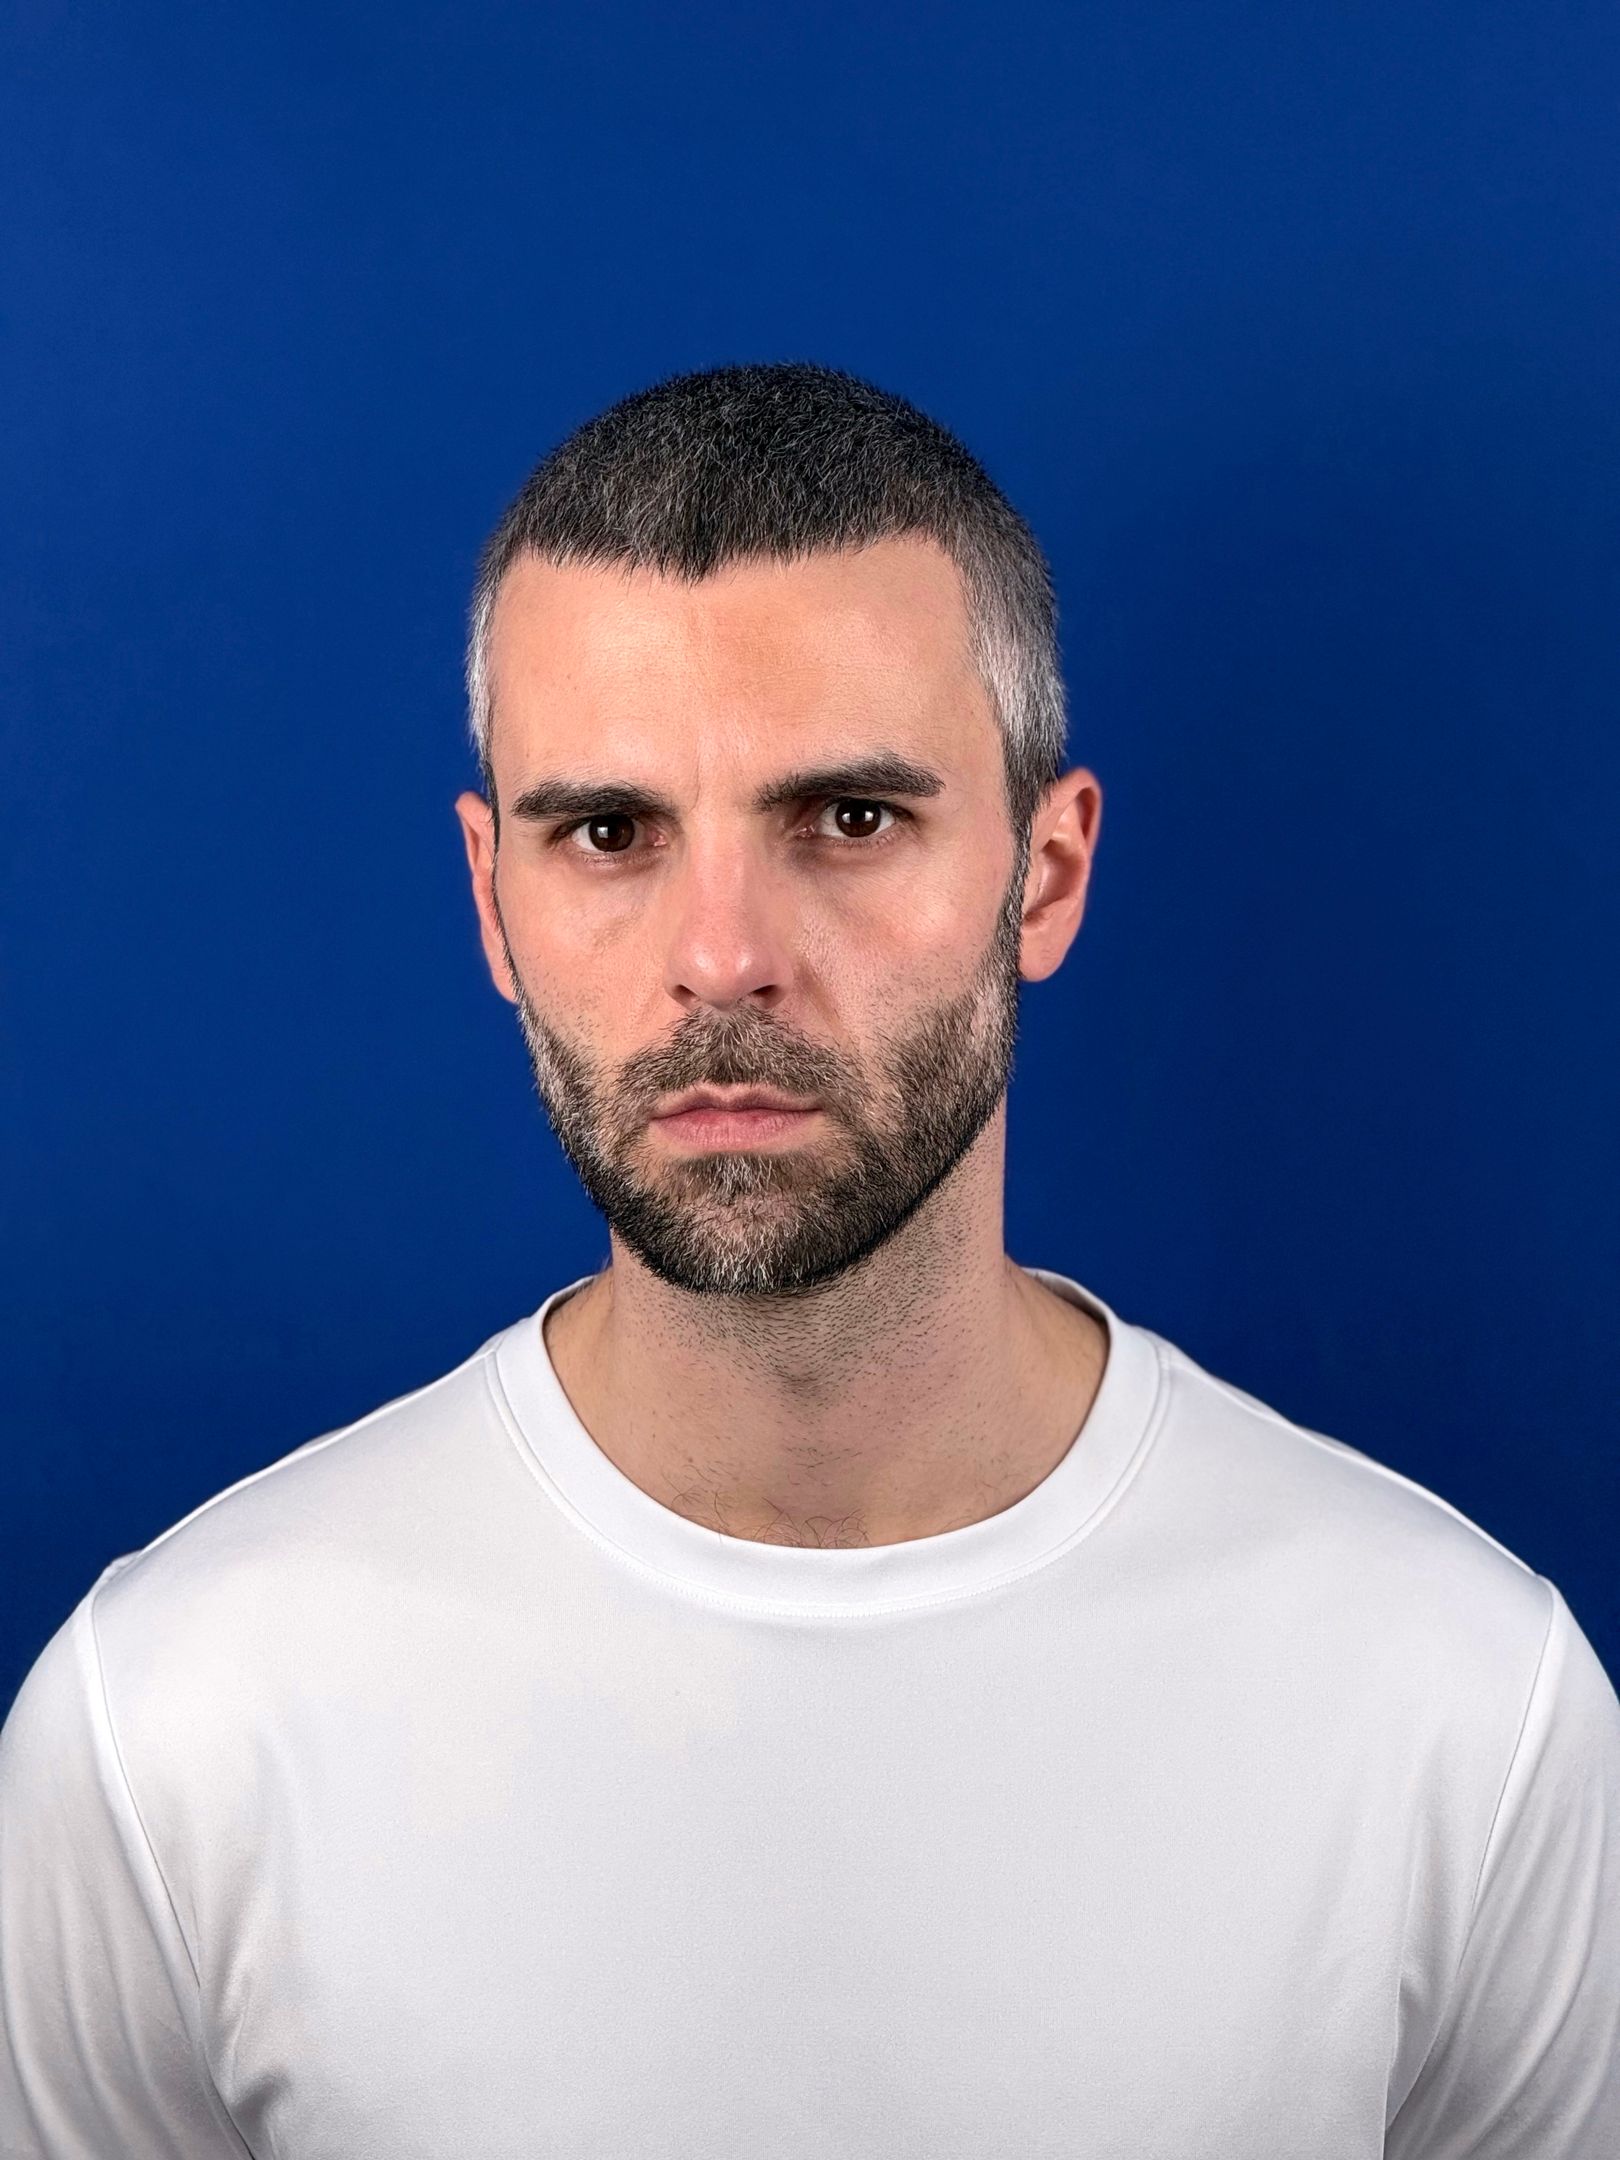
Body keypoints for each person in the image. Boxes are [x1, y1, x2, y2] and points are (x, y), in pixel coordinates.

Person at [1, 362, 1615, 2158]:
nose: (721, 956)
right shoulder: (171, 1730)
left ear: (1046, 873)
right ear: (492, 903)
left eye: (848, 820)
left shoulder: (1465, 1708)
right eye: (608, 834)